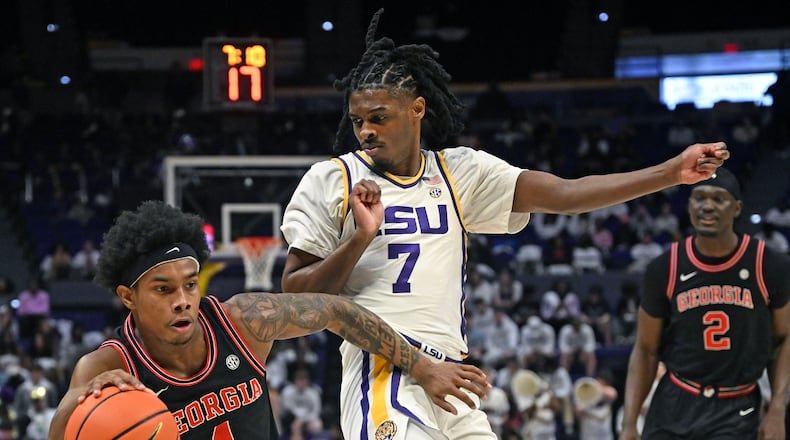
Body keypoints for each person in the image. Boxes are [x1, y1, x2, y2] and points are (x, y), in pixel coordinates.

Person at [280, 9, 729, 439]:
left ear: (417, 109)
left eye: (379, 118)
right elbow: (297, 297)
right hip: (383, 370)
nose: (365, 131)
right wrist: (360, 238)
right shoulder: (332, 179)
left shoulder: (459, 171)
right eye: (358, 121)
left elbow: (567, 195)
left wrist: (670, 173)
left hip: (451, 374)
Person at [47, 200, 491, 440]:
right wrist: (74, 403)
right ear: (129, 297)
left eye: (190, 284)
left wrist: (422, 366)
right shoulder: (108, 369)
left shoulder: (241, 321)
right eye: (163, 290)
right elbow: (66, 429)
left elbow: (336, 309)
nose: (183, 300)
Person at [619, 167, 790, 440]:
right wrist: (629, 423)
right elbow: (645, 349)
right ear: (688, 206)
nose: (707, 206)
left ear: (736, 209)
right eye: (699, 198)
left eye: (718, 199)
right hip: (674, 401)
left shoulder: (769, 264)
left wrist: (778, 408)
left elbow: (784, 340)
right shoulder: (665, 268)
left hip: (736, 405)